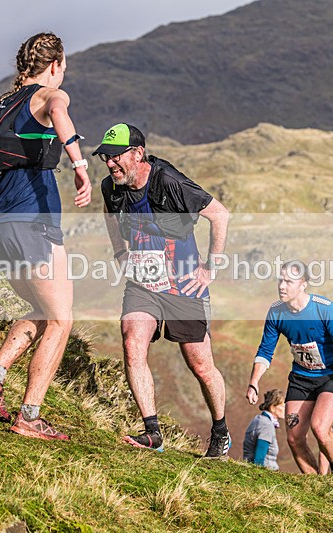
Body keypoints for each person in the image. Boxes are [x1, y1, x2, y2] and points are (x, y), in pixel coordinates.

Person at [0, 32, 92, 440]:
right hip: (33, 223)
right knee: (61, 318)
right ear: (55, 65)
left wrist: (6, 204)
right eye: (64, 67)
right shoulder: (50, 95)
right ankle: (30, 416)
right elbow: (59, 109)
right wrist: (80, 166)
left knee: (43, 306)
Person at [95, 123, 231, 457]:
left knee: (200, 365)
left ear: (137, 154)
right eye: (105, 157)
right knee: (132, 342)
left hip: (184, 285)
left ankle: (220, 431)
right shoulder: (111, 187)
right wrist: (119, 252)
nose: (110, 164)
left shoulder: (168, 181)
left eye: (116, 156)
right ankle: (152, 432)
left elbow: (219, 215)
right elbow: (109, 213)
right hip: (143, 284)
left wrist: (210, 268)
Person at [246, 261, 333, 474]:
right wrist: (254, 382)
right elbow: (265, 351)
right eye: (280, 280)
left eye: (288, 282)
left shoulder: (325, 309)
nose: (282, 286)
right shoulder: (276, 312)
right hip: (301, 378)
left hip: (331, 376)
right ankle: (316, 483)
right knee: (294, 438)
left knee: (320, 428)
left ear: (303, 285)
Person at [243, 389, 286, 470]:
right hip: (267, 471)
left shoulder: (258, 419)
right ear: (272, 408)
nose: (286, 409)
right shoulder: (266, 425)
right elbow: (259, 457)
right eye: (283, 406)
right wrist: (259, 474)